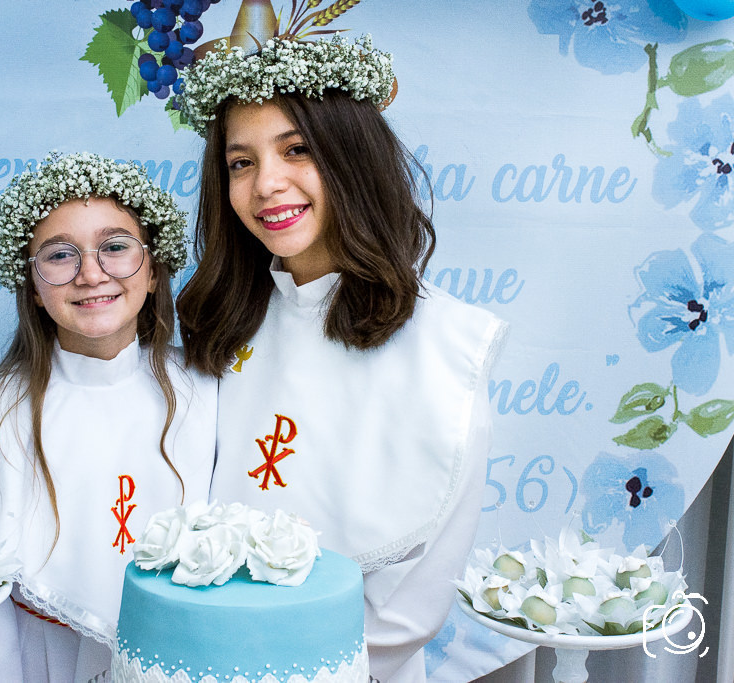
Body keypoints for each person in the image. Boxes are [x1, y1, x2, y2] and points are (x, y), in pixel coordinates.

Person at [175, 36, 508, 682]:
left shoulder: (444, 350)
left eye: (297, 149)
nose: (267, 184)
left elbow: (412, 608)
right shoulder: (217, 322)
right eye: (240, 163)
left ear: (352, 157)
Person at [0, 152, 216, 682]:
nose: (92, 275)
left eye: (116, 248)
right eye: (60, 256)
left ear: (152, 268)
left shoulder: (212, 394)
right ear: (31, 284)